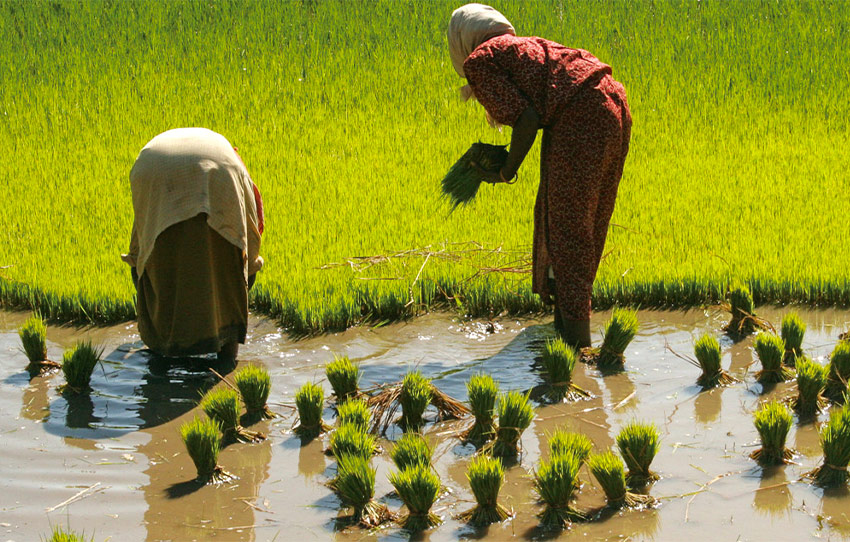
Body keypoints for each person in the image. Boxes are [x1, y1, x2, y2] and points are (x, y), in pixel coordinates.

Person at [448, 3, 632, 348]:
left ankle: (577, 353)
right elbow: (535, 108)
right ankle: (564, 339)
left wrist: (505, 171)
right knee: (581, 223)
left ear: (462, 38)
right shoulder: (521, 47)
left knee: (567, 230)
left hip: (580, 117)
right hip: (614, 103)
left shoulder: (481, 59)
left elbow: (527, 118)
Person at [122, 128, 264, 363]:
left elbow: (139, 248)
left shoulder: (228, 157)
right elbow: (249, 237)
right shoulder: (236, 167)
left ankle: (160, 342)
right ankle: (227, 348)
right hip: (221, 172)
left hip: (152, 167)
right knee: (232, 259)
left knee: (153, 255)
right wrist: (245, 273)